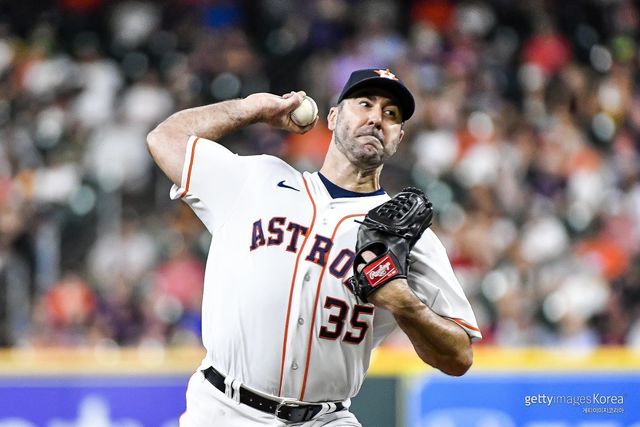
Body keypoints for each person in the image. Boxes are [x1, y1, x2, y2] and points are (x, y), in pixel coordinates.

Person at [147, 68, 482, 426]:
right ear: (333, 117)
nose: (376, 118)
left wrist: (407, 306)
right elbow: (164, 138)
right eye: (365, 104)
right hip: (222, 410)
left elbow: (459, 356)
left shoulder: (409, 236)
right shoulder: (257, 179)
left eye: (391, 114)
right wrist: (251, 110)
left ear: (398, 137)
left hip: (325, 419)